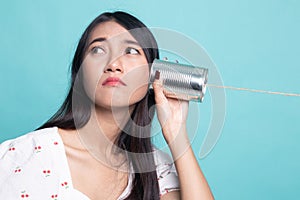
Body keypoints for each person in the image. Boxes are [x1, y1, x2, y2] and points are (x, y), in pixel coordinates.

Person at [0, 11, 214, 200]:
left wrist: (177, 133)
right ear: (80, 72)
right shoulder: (25, 154)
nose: (113, 64)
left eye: (130, 51)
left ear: (153, 74)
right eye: (98, 50)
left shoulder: (156, 170)